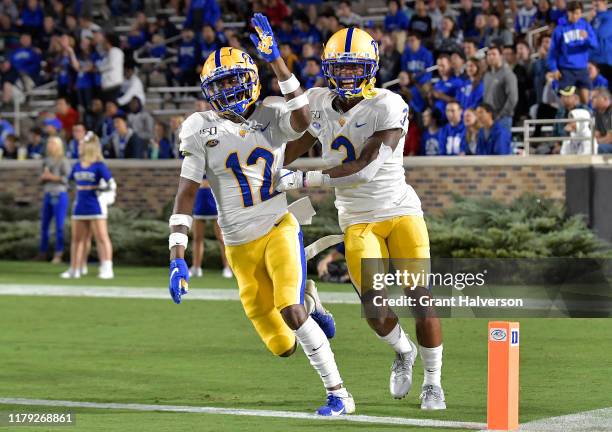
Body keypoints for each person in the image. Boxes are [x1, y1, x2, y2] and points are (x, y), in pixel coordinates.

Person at [167, 14, 354, 416]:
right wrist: (177, 255)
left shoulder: (269, 114)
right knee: (282, 345)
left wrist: (278, 63)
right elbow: (185, 194)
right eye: (221, 86)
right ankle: (313, 303)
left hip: (276, 226)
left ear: (250, 79)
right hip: (239, 249)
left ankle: (339, 394)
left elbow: (303, 119)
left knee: (289, 308)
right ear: (207, 92)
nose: (230, 91)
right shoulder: (199, 128)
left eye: (235, 81)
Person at [279, 27, 447, 410]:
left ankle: (433, 382)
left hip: (399, 210)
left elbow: (366, 169)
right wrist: (262, 169)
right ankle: (403, 351)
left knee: (420, 298)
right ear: (327, 68)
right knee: (373, 309)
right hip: (356, 218)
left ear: (371, 68)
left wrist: (303, 178)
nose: (349, 76)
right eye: (342, 67)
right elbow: (293, 147)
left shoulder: (388, 104)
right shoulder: (318, 102)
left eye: (356, 68)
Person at [62, 132, 116, 279]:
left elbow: (112, 184)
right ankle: (74, 268)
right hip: (80, 205)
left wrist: (97, 190)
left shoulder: (99, 166)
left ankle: (106, 267)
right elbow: (69, 181)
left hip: (95, 205)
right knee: (77, 239)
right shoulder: (77, 165)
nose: (79, 147)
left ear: (89, 147)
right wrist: (74, 189)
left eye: (81, 144)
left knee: (101, 237)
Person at [547, 1, 598, 105]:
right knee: (567, 102)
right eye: (573, 13)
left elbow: (595, 45)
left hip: (582, 69)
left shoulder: (585, 26)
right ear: (568, 13)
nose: (575, 16)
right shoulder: (560, 29)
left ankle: (587, 120)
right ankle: (566, 119)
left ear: (581, 13)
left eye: (578, 13)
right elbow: (552, 52)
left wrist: (587, 38)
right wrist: (554, 68)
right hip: (566, 70)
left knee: (586, 100)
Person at [190, 177, 232, 279]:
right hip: (200, 195)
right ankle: (196, 267)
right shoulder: (195, 161)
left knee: (221, 237)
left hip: (214, 194)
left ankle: (227, 267)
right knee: (197, 237)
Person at [38, 136, 70, 264]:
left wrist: (52, 177)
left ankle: (58, 253)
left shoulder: (63, 161)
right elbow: (41, 180)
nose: (49, 145)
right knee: (44, 225)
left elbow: (68, 179)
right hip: (48, 193)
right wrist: (43, 178)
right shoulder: (45, 161)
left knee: (59, 225)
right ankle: (43, 252)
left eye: (52, 143)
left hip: (60, 194)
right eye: (49, 143)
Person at [483, 44, 518, 130]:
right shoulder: (487, 75)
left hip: (502, 118)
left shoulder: (508, 74)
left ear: (501, 56)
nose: (491, 57)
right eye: (489, 54)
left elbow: (513, 98)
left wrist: (502, 115)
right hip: (488, 117)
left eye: (494, 54)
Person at [591, 88, 612, 153]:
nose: (591, 100)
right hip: (606, 144)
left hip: (608, 144)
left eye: (594, 97)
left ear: (605, 99)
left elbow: (609, 139)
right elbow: (596, 135)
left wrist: (592, 143)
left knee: (598, 148)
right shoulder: (597, 113)